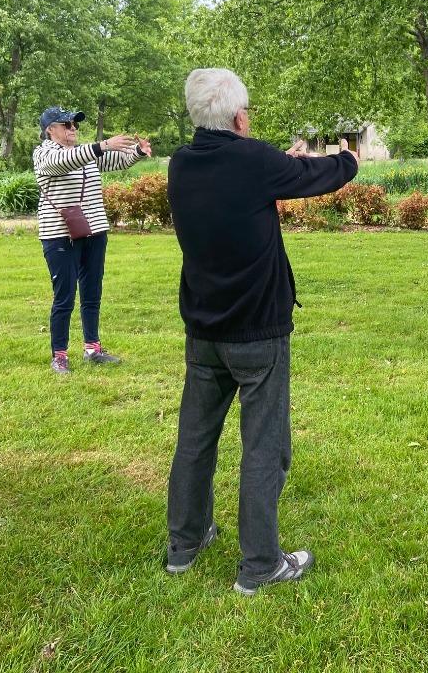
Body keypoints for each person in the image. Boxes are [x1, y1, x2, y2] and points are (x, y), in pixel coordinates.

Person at [165, 68, 359, 595]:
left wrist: (284, 163)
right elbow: (323, 176)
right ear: (240, 116)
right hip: (256, 332)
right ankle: (260, 564)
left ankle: (183, 544)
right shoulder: (254, 159)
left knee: (195, 439)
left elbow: (264, 182)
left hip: (204, 328)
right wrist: (348, 157)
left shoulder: (180, 164)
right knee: (264, 446)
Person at [33, 106, 151, 374]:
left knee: (92, 293)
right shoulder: (44, 154)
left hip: (95, 230)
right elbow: (63, 162)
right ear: (50, 130)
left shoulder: (83, 154)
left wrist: (138, 152)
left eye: (75, 125)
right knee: (64, 297)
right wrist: (103, 144)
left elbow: (113, 161)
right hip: (60, 234)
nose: (73, 129)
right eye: (67, 125)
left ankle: (92, 349)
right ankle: (59, 355)